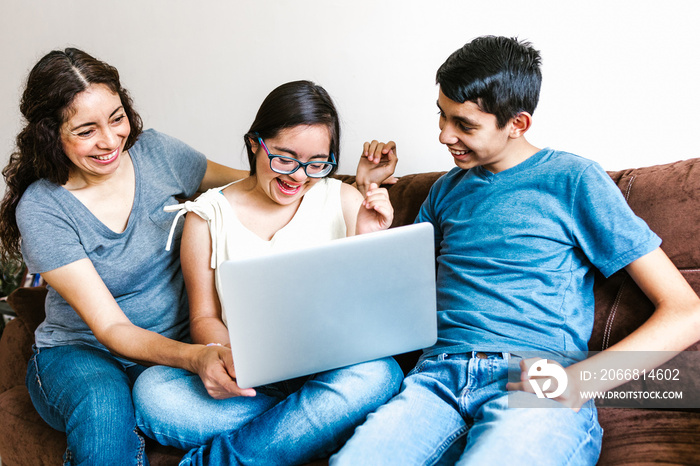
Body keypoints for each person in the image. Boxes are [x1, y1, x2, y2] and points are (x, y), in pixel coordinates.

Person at [0, 49, 396, 466]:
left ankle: (272, 434)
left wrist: (353, 185)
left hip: (172, 358)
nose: (110, 141)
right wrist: (198, 355)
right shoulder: (43, 209)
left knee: (376, 375)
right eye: (86, 130)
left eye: (117, 118)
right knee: (109, 407)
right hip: (88, 352)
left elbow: (252, 183)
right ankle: (316, 418)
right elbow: (113, 328)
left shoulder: (157, 153)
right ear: (50, 134)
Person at [331, 36, 700, 465]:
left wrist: (576, 382)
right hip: (435, 379)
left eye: (464, 125)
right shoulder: (445, 191)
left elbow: (686, 311)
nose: (443, 135)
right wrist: (366, 208)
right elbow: (388, 303)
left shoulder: (574, 179)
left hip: (534, 378)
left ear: (518, 123)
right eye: (441, 116)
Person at [132, 80, 404, 465]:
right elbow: (204, 318)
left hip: (329, 371)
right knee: (153, 394)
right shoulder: (206, 217)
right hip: (251, 382)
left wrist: (369, 236)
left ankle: (232, 455)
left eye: (316, 163)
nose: (298, 176)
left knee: (380, 375)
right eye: (285, 158)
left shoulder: (345, 200)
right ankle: (315, 425)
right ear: (254, 143)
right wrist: (231, 357)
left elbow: (376, 319)